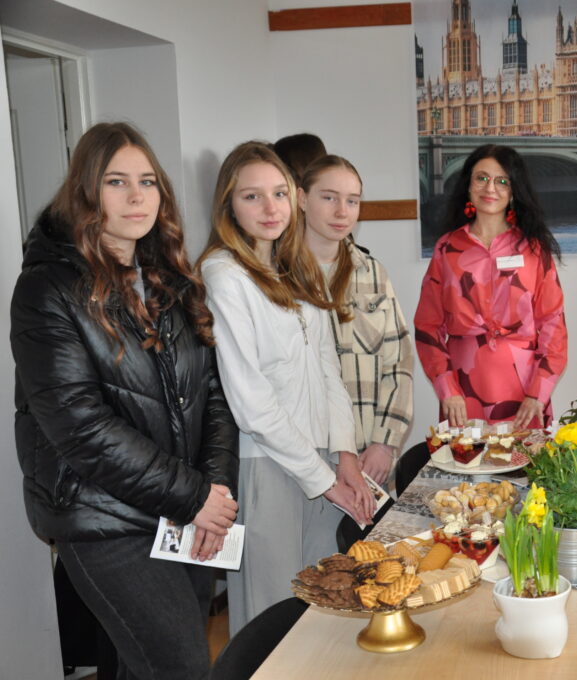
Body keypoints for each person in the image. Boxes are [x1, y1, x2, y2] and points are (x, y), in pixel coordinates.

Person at [11, 122, 239, 679]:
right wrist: (194, 497)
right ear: (86, 193)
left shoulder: (170, 280)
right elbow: (80, 427)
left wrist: (214, 494)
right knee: (181, 665)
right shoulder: (47, 289)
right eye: (116, 182)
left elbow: (214, 394)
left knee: (136, 666)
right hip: (101, 515)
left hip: (184, 512)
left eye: (147, 181)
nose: (137, 196)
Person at [197, 142, 371, 635]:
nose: (270, 209)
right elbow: (250, 401)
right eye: (252, 197)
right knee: (271, 617)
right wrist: (320, 474)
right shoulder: (223, 273)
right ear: (228, 203)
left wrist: (346, 454)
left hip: (320, 459)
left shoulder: (297, 269)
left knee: (324, 607)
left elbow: (327, 368)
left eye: (278, 193)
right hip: (267, 464)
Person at [294, 154, 419, 550]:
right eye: (328, 197)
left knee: (370, 572)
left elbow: (399, 360)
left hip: (370, 459)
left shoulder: (371, 272)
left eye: (352, 200)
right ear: (301, 199)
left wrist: (385, 442)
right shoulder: (279, 276)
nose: (341, 211)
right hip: (308, 461)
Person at [414, 144, 567, 429]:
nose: (490, 188)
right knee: (467, 469)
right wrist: (447, 389)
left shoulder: (534, 249)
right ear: (468, 186)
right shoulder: (447, 249)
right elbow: (427, 327)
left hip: (525, 393)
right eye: (481, 178)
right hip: (463, 391)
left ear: (513, 191)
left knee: (524, 468)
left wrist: (539, 394)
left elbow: (553, 326)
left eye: (502, 181)